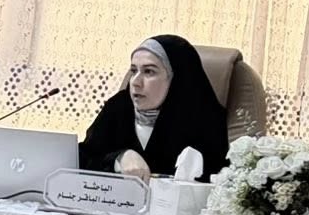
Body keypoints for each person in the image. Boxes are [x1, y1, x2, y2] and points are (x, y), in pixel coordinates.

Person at [80, 34, 229, 180]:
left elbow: (217, 178)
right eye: (134, 71)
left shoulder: (205, 118)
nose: (135, 82)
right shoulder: (119, 107)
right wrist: (118, 159)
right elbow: (83, 159)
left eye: (149, 71)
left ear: (175, 77)